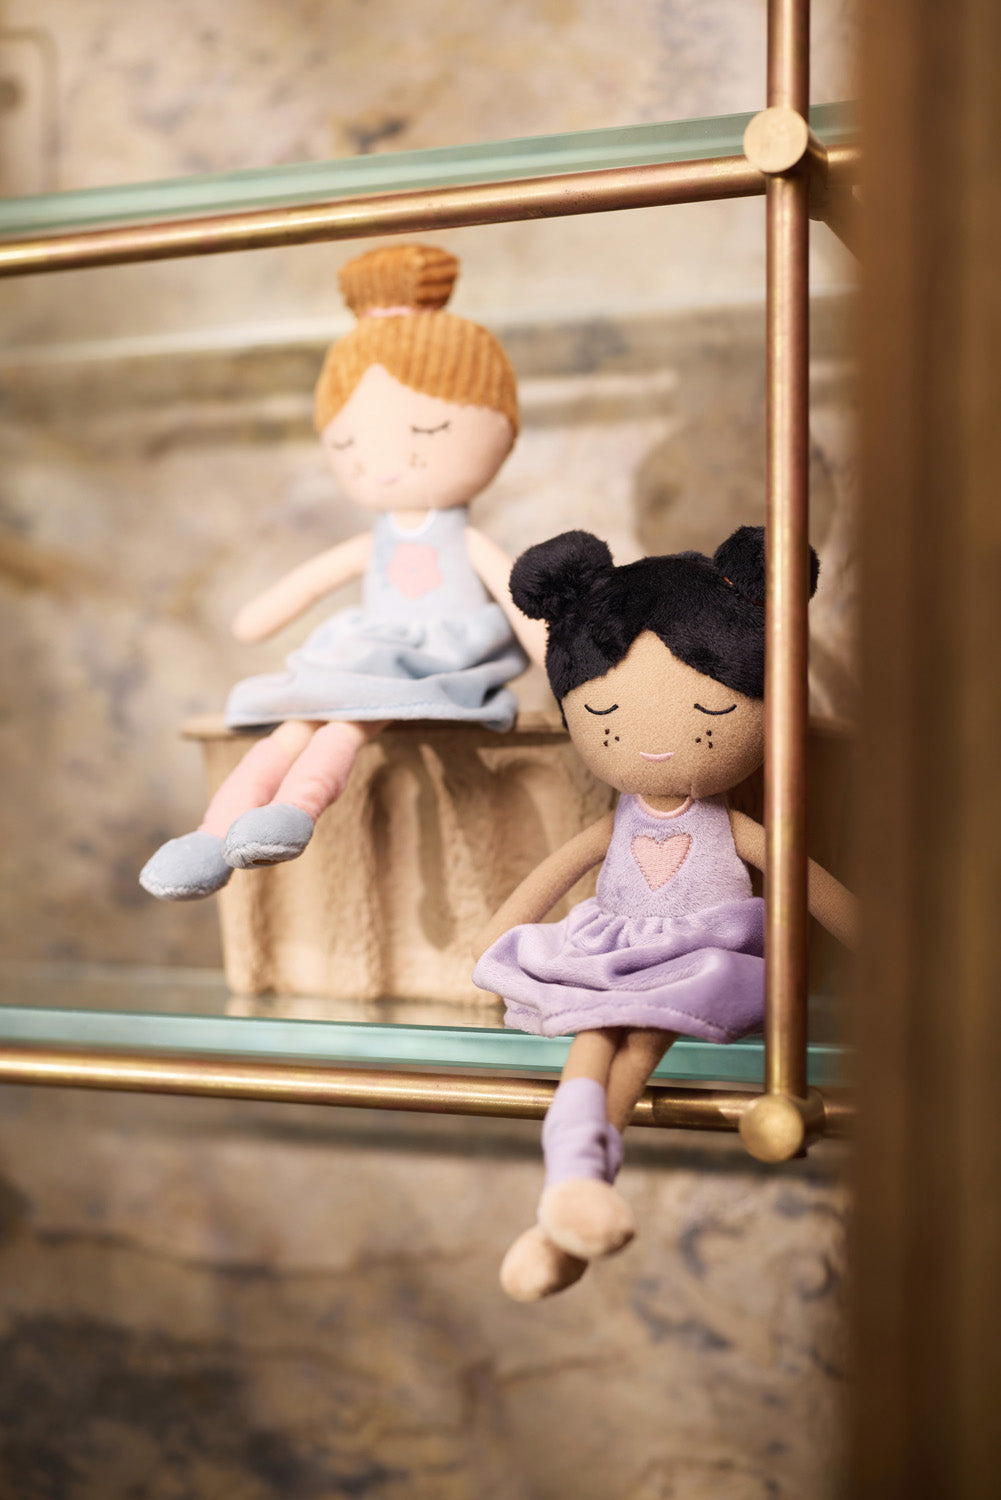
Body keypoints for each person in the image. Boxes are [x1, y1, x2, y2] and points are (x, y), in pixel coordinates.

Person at [473, 527, 854, 1301]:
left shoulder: (728, 825)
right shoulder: (617, 823)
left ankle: (567, 1203)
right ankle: (570, 1195)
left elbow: (802, 880)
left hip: (696, 955)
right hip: (609, 945)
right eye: (603, 712)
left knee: (636, 1044)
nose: (648, 743)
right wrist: (494, 938)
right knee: (594, 1044)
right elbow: (557, 873)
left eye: (713, 707)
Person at [141, 243, 543, 901]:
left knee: (347, 724)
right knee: (296, 724)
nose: (378, 465)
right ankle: (213, 834)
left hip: (435, 653)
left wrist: (564, 657)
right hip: (364, 644)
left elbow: (518, 599)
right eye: (348, 444)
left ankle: (296, 809)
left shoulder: (463, 541)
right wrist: (258, 617)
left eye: (427, 430)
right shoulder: (374, 540)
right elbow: (291, 595)